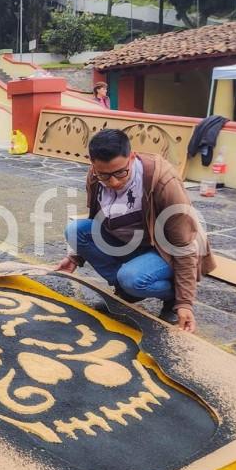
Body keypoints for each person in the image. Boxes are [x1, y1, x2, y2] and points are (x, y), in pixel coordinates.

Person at [56, 129, 216, 332]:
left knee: (132, 278)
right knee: (75, 231)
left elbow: (184, 245)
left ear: (131, 157)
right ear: (93, 164)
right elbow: (95, 217)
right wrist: (75, 257)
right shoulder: (95, 176)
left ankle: (171, 296)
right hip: (132, 240)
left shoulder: (163, 182)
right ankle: (127, 293)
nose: (113, 182)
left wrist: (184, 303)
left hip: (165, 247)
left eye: (120, 173)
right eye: (104, 175)